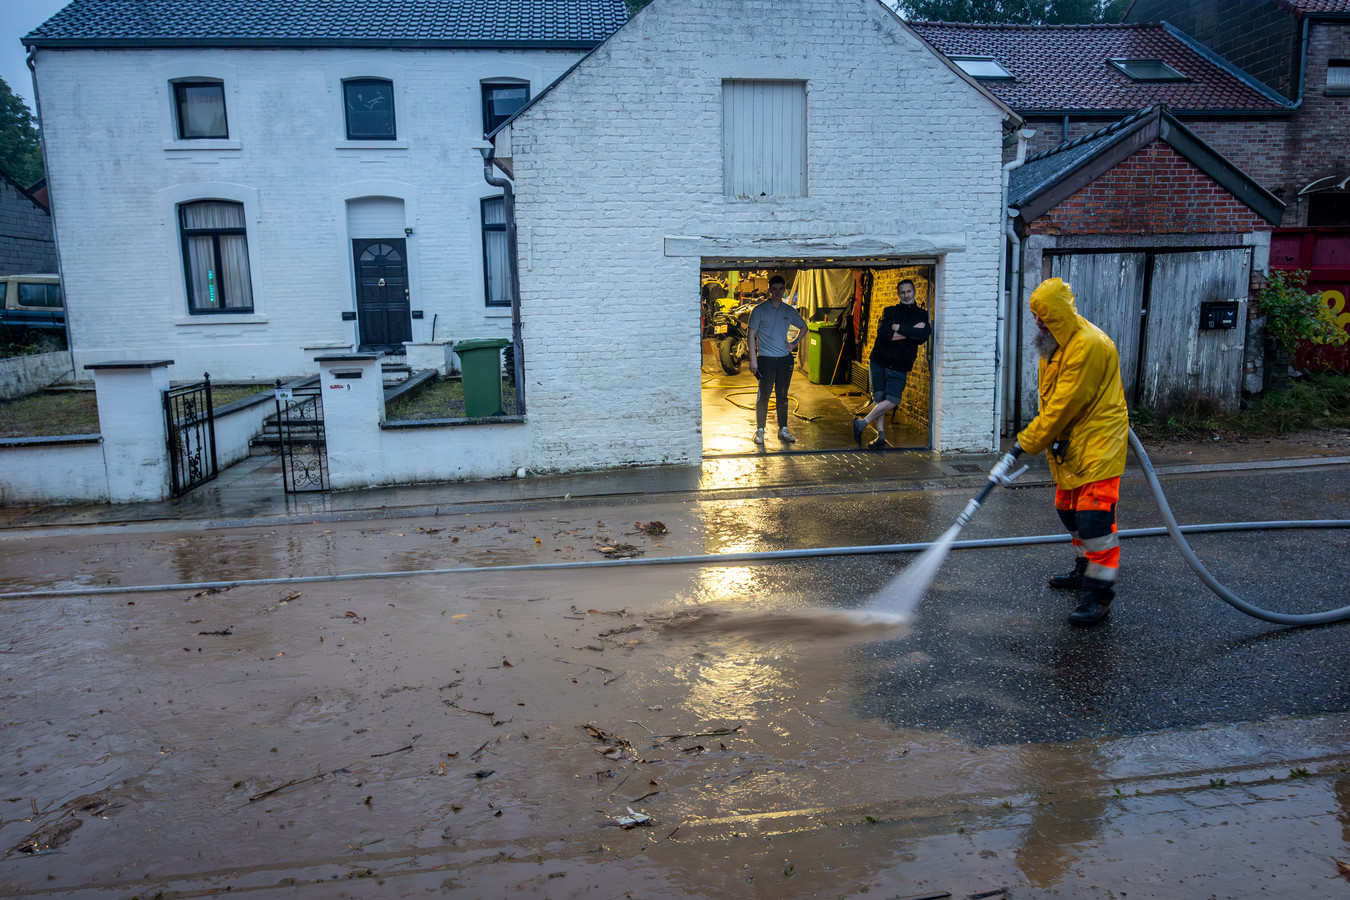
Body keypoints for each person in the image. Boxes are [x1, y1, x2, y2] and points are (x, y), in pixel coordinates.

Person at [989, 277, 1130, 626]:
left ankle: (1099, 595)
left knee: (1095, 518)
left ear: (1062, 314)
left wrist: (1024, 444)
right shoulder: (1052, 345)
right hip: (1071, 443)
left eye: (1045, 315)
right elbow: (1052, 402)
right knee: (1069, 511)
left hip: (1100, 440)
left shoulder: (1088, 345)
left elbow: (1062, 406)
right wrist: (1045, 439)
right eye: (1035, 314)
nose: (1037, 320)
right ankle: (1085, 569)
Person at [853, 279, 930, 449]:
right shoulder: (890, 311)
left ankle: (862, 423)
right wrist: (911, 331)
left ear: (914, 292)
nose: (906, 295)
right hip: (880, 359)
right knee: (879, 398)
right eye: (902, 292)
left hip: (901, 364)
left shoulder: (922, 315)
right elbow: (883, 334)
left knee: (893, 399)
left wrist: (898, 327)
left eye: (909, 291)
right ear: (898, 294)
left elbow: (923, 336)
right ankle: (880, 435)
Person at [747, 275, 807, 445]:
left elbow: (804, 327)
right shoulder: (759, 310)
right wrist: (753, 360)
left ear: (784, 290)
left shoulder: (788, 311)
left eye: (781, 289)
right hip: (765, 359)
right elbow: (750, 335)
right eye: (774, 289)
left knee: (782, 396)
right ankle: (760, 430)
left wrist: (794, 343)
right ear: (769, 290)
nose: (778, 292)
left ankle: (783, 429)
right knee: (764, 395)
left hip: (784, 360)